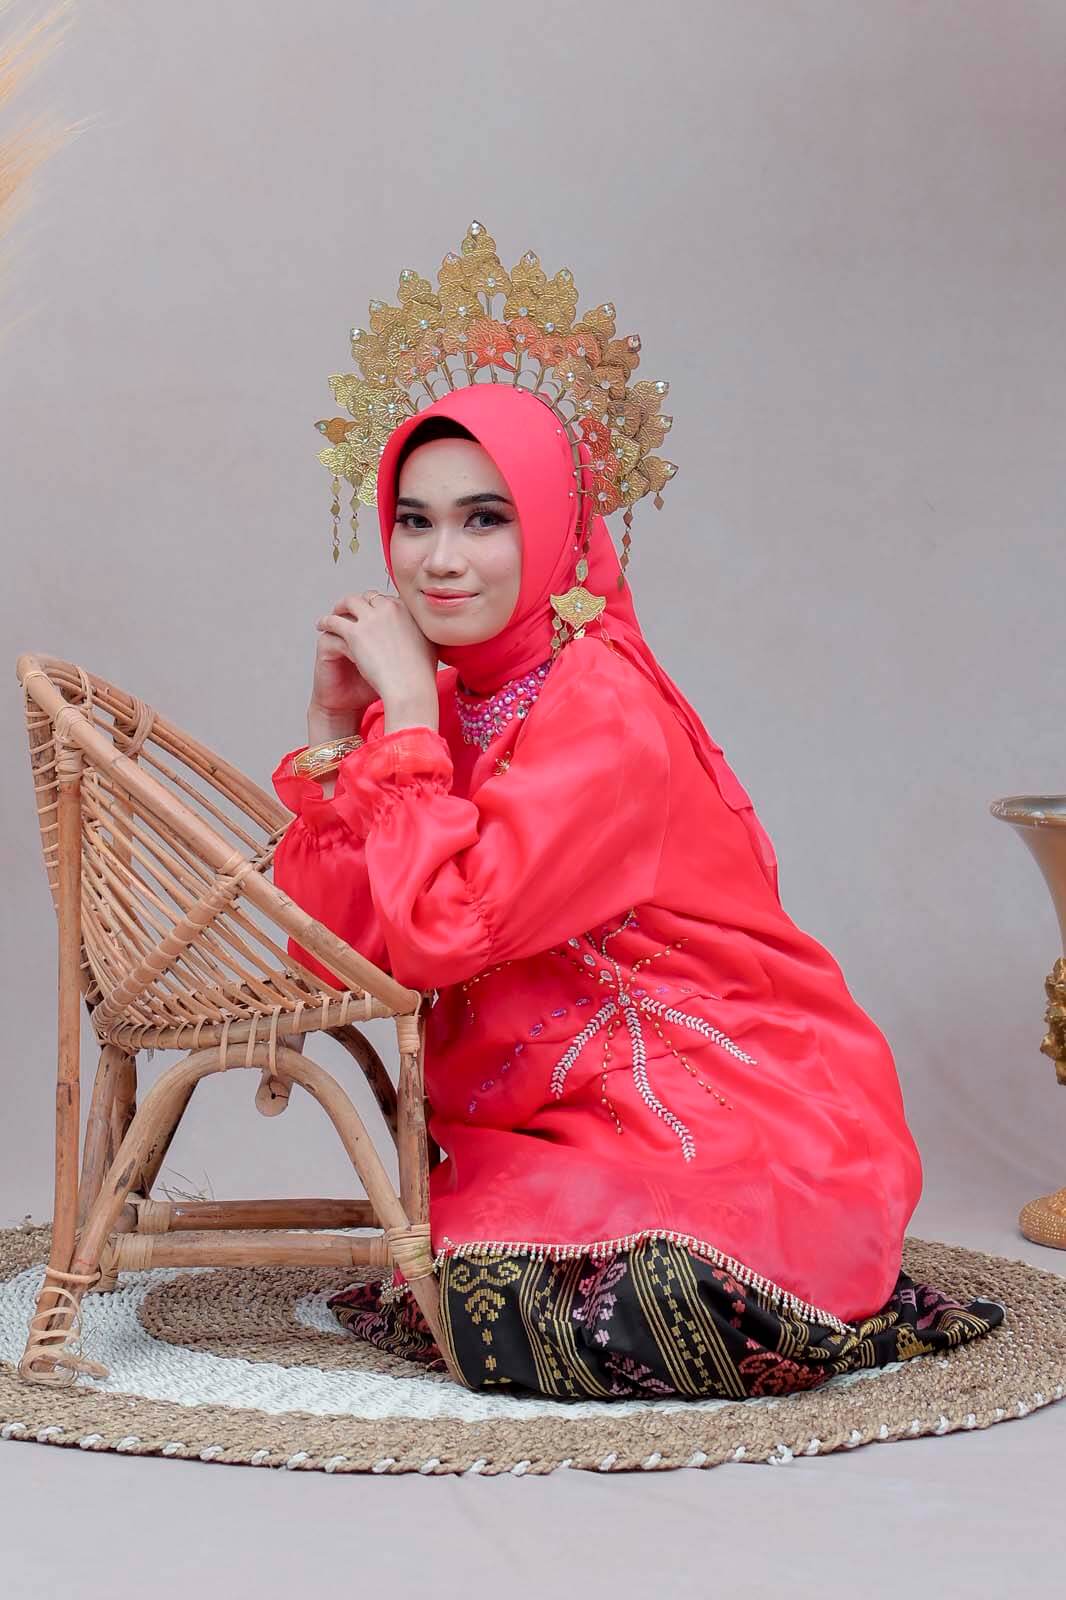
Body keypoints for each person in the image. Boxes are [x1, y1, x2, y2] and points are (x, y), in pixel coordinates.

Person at [270, 381, 1002, 1399]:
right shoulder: (441, 708)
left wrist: (401, 724)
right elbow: (335, 956)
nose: (440, 560)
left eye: (485, 519)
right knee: (476, 1283)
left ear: (558, 530)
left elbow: (441, 934)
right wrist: (333, 732)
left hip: (728, 1107)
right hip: (555, 1118)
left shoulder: (600, 707)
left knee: (605, 1298)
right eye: (415, 521)